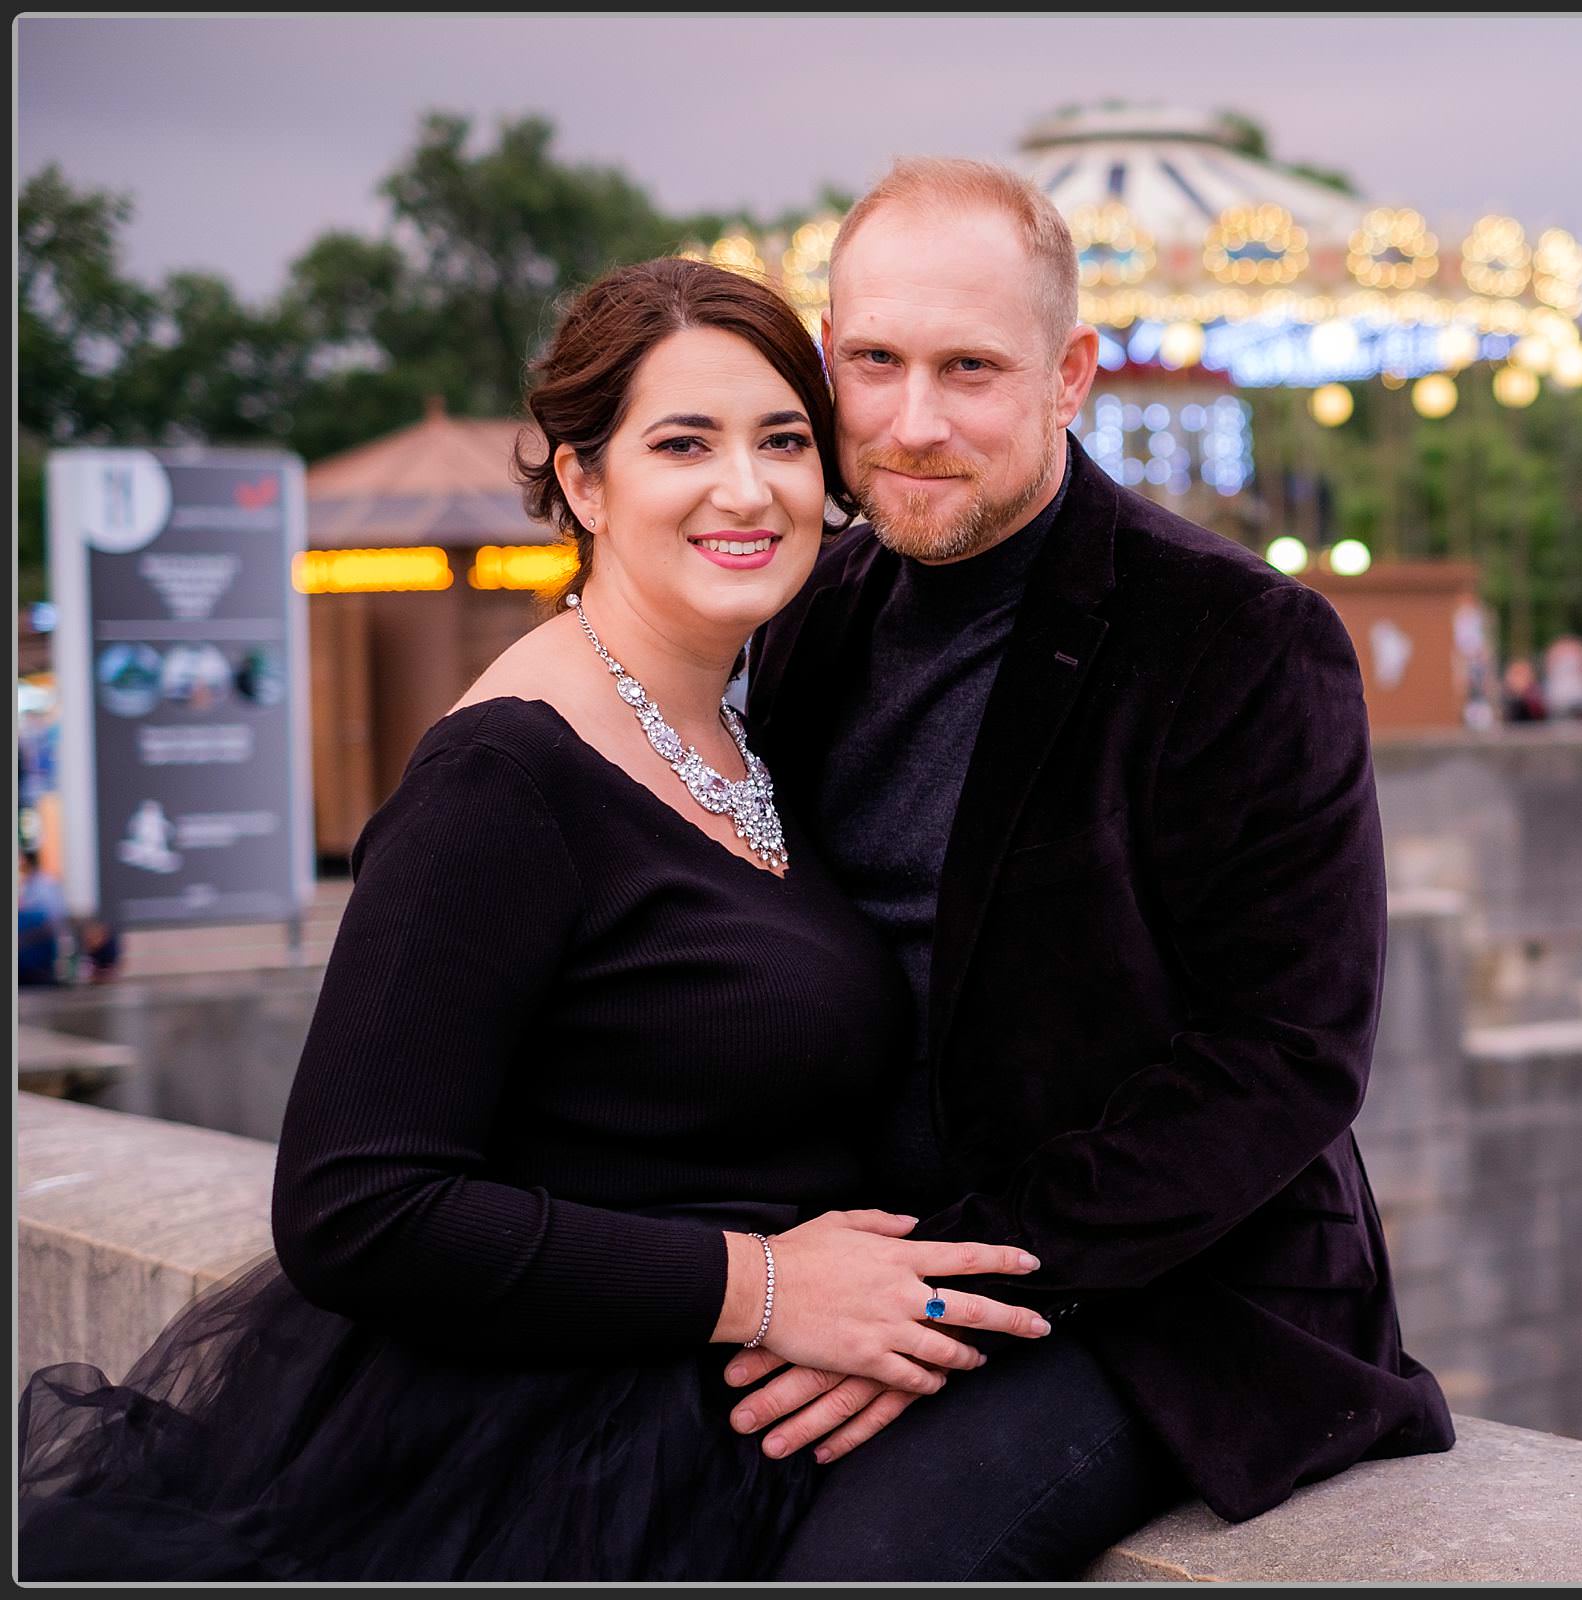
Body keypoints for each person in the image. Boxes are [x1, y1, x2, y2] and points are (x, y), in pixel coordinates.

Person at [17, 257, 1055, 1581]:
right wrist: (767, 1287)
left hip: (715, 1433)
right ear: (584, 481)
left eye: (783, 441)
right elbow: (355, 1205)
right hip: (545, 1468)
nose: (747, 488)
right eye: (685, 443)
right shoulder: (505, 774)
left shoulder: (744, 726)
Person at [736, 157, 1454, 1576]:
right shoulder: (806, 612)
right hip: (854, 1257)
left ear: (1070, 376)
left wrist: (939, 1297)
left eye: (970, 369)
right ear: (828, 362)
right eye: (874, 362)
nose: (914, 420)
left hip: (1167, 1295)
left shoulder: (1240, 638)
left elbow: (1287, 1057)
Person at [16, 847, 69, 988]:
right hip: (36, 936)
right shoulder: (30, 884)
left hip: (43, 937)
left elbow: (52, 915)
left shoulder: (44, 883)